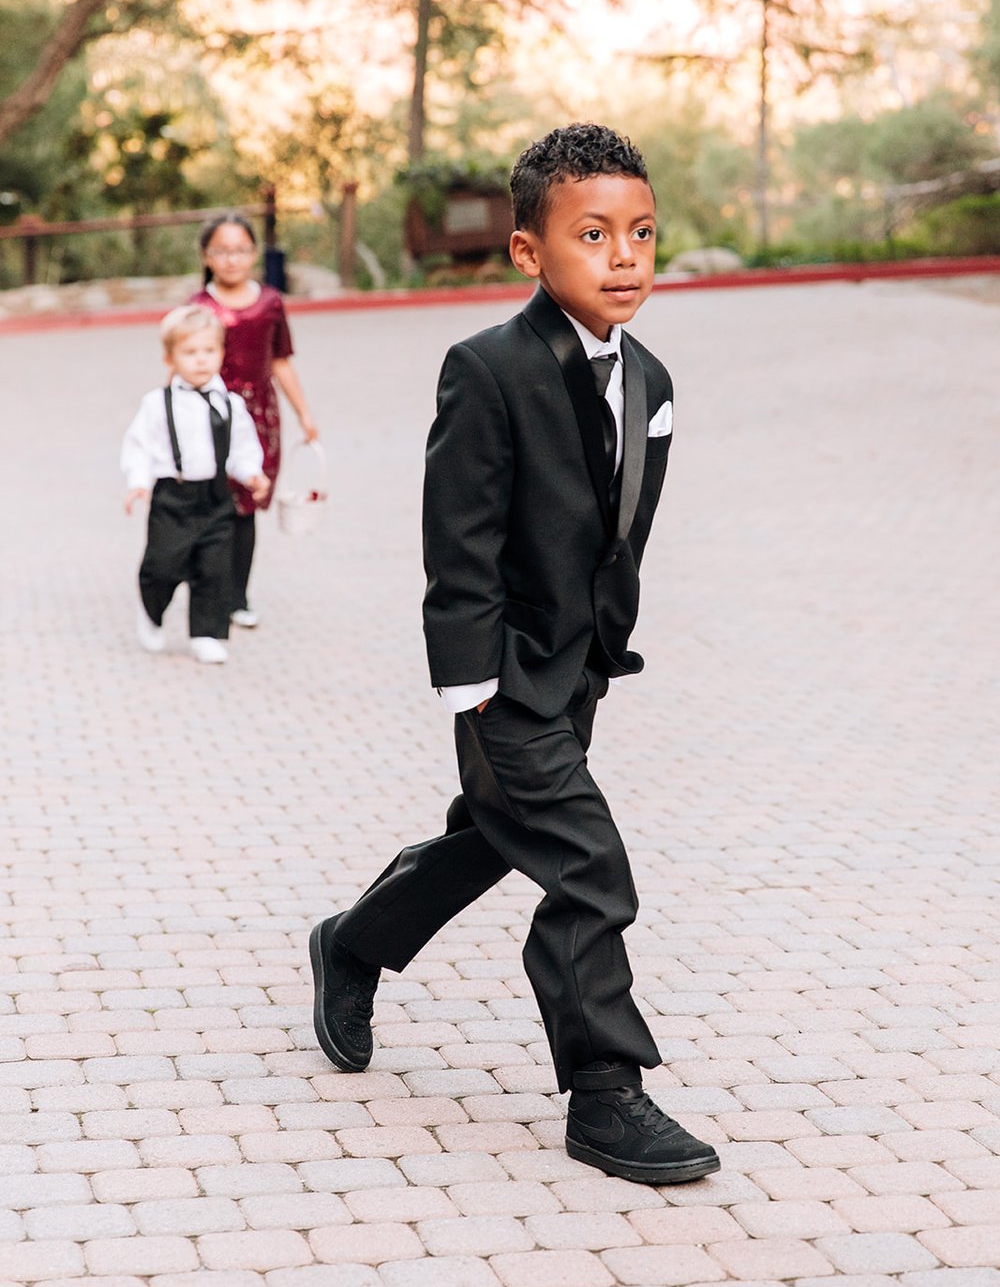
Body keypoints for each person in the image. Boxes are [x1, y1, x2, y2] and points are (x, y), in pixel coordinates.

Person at [309, 123, 720, 1185]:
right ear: (530, 252)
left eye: (641, 233)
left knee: (493, 839)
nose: (624, 257)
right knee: (588, 869)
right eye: (592, 235)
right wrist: (473, 686)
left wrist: (603, 644)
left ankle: (352, 943)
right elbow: (460, 536)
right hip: (501, 680)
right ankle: (605, 1093)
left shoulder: (651, 377)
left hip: (577, 669)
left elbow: (622, 524)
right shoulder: (485, 371)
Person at [122, 304, 270, 665]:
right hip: (173, 496)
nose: (201, 360)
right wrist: (138, 483)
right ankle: (152, 611)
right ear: (170, 359)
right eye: (190, 353)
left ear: (221, 353)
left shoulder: (230, 405)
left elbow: (242, 447)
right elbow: (138, 446)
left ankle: (206, 632)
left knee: (214, 567)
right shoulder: (157, 404)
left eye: (209, 351)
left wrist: (251, 472)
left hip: (216, 496)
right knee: (162, 565)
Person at [191, 213, 318, 629]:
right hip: (208, 418)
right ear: (207, 256)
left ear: (254, 253)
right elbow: (181, 364)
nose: (232, 259)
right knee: (211, 503)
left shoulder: (270, 303)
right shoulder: (198, 308)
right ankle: (207, 589)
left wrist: (304, 414)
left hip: (259, 419)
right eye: (222, 251)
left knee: (245, 507)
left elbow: (280, 361)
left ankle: (237, 596)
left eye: (241, 250)